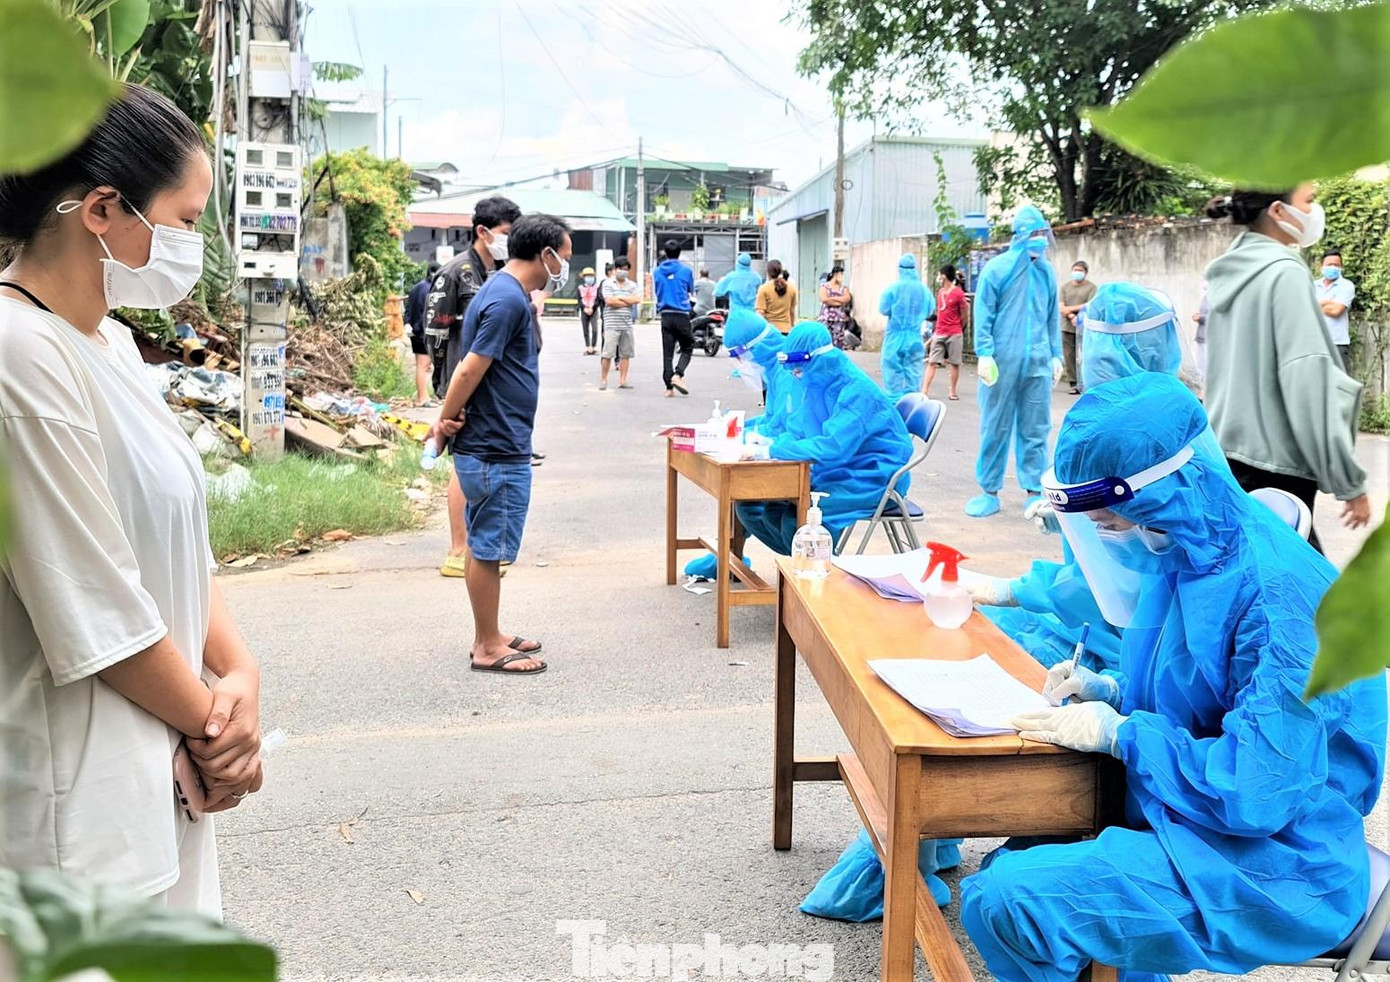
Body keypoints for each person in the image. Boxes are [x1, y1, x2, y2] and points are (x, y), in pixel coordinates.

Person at [961, 372, 1387, 981]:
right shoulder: (1187, 549)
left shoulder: (1282, 603)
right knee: (1010, 864)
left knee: (1015, 900)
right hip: (1189, 811)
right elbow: (1195, 693)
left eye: (1111, 523)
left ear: (1156, 497)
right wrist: (1110, 691)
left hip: (1278, 860)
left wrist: (1122, 735)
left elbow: (1256, 790)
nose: (1108, 539)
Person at [0, 83, 264, 916]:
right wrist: (218, 732)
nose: (193, 246)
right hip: (75, 797)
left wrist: (241, 674)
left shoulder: (108, 340)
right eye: (184, 222)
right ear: (104, 209)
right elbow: (94, 607)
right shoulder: (19, 357)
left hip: (162, 762)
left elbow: (173, 543)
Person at [964, 283, 1200, 672]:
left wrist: (1015, 590)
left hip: (1143, 634)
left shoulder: (1159, 438)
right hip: (1110, 616)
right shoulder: (1154, 415)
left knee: (1000, 649)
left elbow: (1125, 582)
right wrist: (1075, 519)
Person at [432, 214, 571, 676]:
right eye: (564, 257)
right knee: (489, 549)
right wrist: (444, 419)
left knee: (482, 543)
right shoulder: (508, 299)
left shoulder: (505, 292)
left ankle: (488, 631)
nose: (564, 266)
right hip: (495, 445)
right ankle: (487, 646)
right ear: (545, 254)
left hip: (492, 440)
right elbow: (470, 367)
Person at [1203, 187, 1371, 551]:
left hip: (1229, 452)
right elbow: (1307, 379)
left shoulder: (1229, 274)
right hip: (1276, 464)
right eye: (1308, 201)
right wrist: (1349, 483)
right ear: (1279, 211)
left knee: (1256, 581)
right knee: (1299, 591)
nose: (1315, 210)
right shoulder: (1285, 274)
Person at [735, 322, 913, 554]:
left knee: (796, 520)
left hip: (873, 476)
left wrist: (772, 451)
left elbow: (832, 447)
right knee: (770, 511)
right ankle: (806, 573)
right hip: (840, 469)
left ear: (818, 360)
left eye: (799, 370)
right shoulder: (817, 382)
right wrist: (768, 441)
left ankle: (819, 574)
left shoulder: (857, 391)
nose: (796, 376)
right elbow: (800, 427)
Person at [423, 194, 522, 579]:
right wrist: (450, 392)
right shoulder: (455, 272)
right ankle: (459, 549)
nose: (509, 242)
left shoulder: (498, 274)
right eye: (505, 234)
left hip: (487, 387)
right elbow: (436, 336)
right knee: (462, 466)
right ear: (482, 232)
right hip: (461, 385)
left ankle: (480, 550)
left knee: (479, 467)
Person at [967, 205, 1064, 518]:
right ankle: (989, 490)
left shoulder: (1047, 273)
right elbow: (983, 313)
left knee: (1036, 428)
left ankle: (1034, 491)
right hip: (1001, 361)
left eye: (1042, 233)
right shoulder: (998, 269)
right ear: (1021, 234)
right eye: (1035, 234)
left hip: (1037, 362)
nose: (1040, 240)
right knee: (995, 425)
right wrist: (984, 352)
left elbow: (1051, 318)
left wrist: (1056, 355)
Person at [724, 308, 795, 438]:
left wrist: (737, 434)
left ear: (757, 347)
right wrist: (740, 425)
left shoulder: (787, 372)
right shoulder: (773, 370)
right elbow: (771, 418)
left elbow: (781, 427)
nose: (743, 362)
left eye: (742, 356)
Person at [877, 253, 934, 400]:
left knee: (891, 371)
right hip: (914, 336)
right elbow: (929, 310)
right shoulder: (924, 290)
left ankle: (895, 403)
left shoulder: (893, 289)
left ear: (900, 269)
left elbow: (883, 309)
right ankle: (912, 402)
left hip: (894, 335)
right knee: (914, 371)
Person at [653, 239, 695, 396]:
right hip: (682, 314)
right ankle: (678, 374)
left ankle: (668, 388)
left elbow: (657, 289)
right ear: (679, 253)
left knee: (668, 353)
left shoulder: (657, 271)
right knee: (687, 347)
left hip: (665, 315)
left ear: (665, 252)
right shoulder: (686, 271)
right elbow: (691, 290)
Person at [923, 264, 967, 401]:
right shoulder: (940, 292)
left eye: (940, 275)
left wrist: (960, 327)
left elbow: (964, 314)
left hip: (954, 332)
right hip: (940, 332)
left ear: (944, 276)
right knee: (932, 362)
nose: (938, 278)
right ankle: (924, 391)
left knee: (954, 363)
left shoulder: (958, 293)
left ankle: (952, 391)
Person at [599, 255, 638, 391]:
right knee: (607, 354)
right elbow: (609, 301)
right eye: (622, 269)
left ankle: (623, 380)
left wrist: (619, 298)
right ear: (616, 269)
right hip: (611, 324)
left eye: (626, 269)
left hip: (627, 324)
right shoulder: (608, 283)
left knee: (625, 354)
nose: (624, 272)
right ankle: (604, 380)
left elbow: (636, 299)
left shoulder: (632, 284)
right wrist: (627, 300)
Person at [405, 261, 441, 405]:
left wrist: (407, 323)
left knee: (422, 365)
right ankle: (422, 399)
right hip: (423, 332)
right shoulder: (430, 290)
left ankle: (425, 396)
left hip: (414, 330)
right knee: (423, 365)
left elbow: (408, 309)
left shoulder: (416, 287)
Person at [1058, 260, 1096, 394]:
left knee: (1083, 354)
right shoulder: (1065, 287)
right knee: (1069, 355)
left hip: (1085, 326)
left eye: (1080, 271)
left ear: (1085, 273)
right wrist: (1072, 316)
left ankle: (1084, 382)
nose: (1077, 273)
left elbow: (1088, 305)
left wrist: (1072, 311)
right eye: (1075, 270)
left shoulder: (1091, 288)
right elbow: (1061, 307)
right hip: (1067, 325)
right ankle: (1073, 383)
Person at [1317, 249, 1356, 373]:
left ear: (1341, 267)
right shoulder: (1312, 285)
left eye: (1336, 265)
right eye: (1329, 264)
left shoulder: (1347, 286)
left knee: (1339, 385)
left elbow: (1336, 311)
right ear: (1321, 266)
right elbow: (1304, 308)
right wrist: (1327, 303)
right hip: (1315, 343)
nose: (1333, 267)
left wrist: (1315, 305)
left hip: (1338, 343)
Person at [755, 259, 798, 333]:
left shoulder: (763, 289)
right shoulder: (792, 288)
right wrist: (792, 326)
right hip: (787, 330)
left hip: (769, 330)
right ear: (781, 271)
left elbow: (760, 313)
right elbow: (792, 311)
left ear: (768, 273)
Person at [817, 264, 852, 348]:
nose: (842, 277)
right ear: (835, 275)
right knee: (824, 340)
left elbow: (847, 298)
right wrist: (839, 301)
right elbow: (824, 299)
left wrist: (831, 299)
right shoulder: (824, 286)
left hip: (839, 319)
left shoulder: (843, 288)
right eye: (841, 274)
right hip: (825, 318)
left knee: (838, 342)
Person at [578, 266, 600, 355]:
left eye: (591, 276)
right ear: (584, 277)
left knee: (595, 329)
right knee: (585, 329)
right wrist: (584, 308)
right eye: (587, 276)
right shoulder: (580, 288)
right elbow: (579, 300)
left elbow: (598, 299)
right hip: (584, 310)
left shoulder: (597, 287)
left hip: (593, 310)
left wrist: (593, 308)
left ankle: (594, 346)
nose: (589, 278)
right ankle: (588, 347)